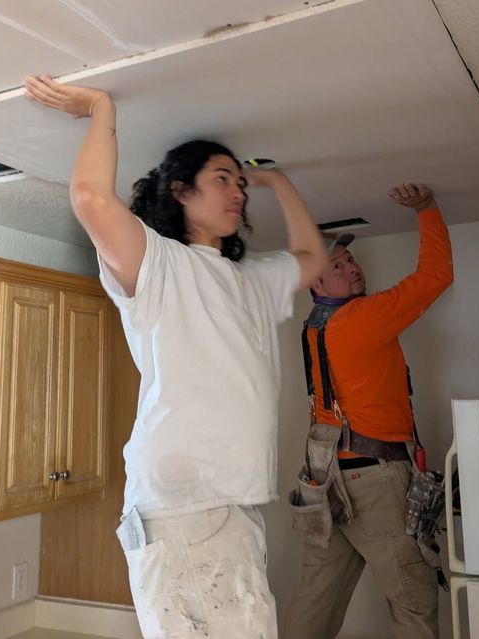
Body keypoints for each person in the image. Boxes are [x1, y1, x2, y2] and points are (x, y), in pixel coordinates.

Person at [23, 75, 328, 639]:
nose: (238, 191)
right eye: (221, 179)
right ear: (181, 191)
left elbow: (312, 255)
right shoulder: (158, 263)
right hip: (187, 505)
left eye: (241, 183)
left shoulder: (251, 280)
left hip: (226, 505)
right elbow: (91, 198)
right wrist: (100, 108)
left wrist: (278, 180)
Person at [284, 182, 454, 639]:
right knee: (412, 594)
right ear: (317, 284)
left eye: (350, 260)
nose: (352, 269)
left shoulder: (313, 330)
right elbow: (435, 276)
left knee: (317, 595)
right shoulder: (360, 319)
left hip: (326, 479)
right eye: (337, 266)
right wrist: (427, 209)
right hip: (375, 479)